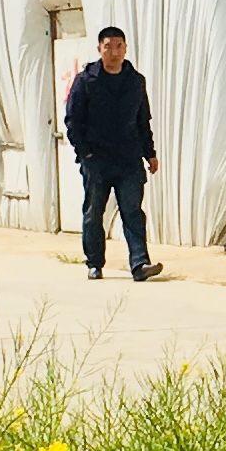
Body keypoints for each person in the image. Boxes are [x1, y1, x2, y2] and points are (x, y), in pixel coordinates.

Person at [62, 23, 162, 283]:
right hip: (97, 160)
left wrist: (149, 153)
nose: (114, 52)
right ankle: (94, 263)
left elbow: (143, 121)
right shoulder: (86, 81)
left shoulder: (135, 82)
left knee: (132, 211)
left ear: (125, 49)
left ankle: (140, 263)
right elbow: (73, 120)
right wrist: (85, 153)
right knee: (94, 212)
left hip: (129, 160)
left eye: (119, 47)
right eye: (108, 47)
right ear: (99, 49)